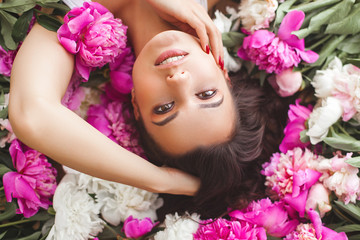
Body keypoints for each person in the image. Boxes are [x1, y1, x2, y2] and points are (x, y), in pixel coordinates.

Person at [9, 0, 291, 219]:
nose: (179, 81)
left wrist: (161, 181)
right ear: (223, 72)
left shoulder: (72, 26)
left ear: (135, 102)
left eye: (165, 107)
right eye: (206, 94)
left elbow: (30, 114)